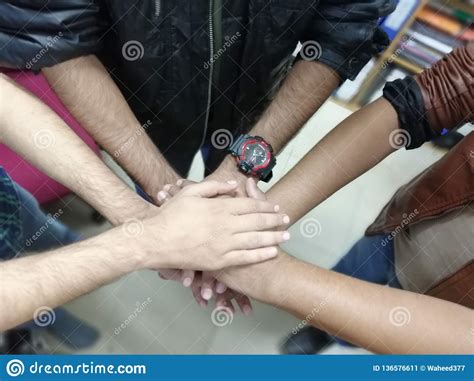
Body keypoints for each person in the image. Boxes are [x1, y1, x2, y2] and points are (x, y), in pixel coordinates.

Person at [0, 0, 396, 304]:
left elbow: (347, 26)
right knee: (159, 188)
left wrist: (244, 170)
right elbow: (54, 32)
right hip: (140, 106)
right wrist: (150, 213)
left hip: (254, 95)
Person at [163, 43, 473, 353]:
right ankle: (321, 330)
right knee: (350, 276)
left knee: (359, 325)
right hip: (406, 224)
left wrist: (272, 276)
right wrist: (258, 223)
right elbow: (418, 101)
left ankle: (331, 333)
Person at [0, 75, 290, 341]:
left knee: (34, 221)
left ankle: (65, 242)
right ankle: (41, 317)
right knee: (27, 304)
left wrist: (140, 217)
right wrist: (145, 240)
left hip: (8, 195)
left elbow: (7, 103)